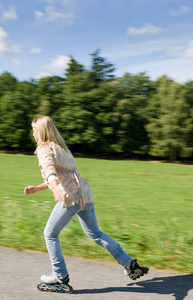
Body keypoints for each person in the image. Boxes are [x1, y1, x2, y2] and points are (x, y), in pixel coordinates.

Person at [24, 116, 148, 286]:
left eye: (34, 130)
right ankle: (129, 264)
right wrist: (39, 188)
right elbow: (64, 176)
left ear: (41, 132)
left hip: (71, 196)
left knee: (50, 234)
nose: (33, 134)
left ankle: (59, 274)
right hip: (85, 193)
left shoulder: (44, 149)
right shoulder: (61, 147)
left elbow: (50, 171)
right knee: (95, 233)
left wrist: (57, 188)